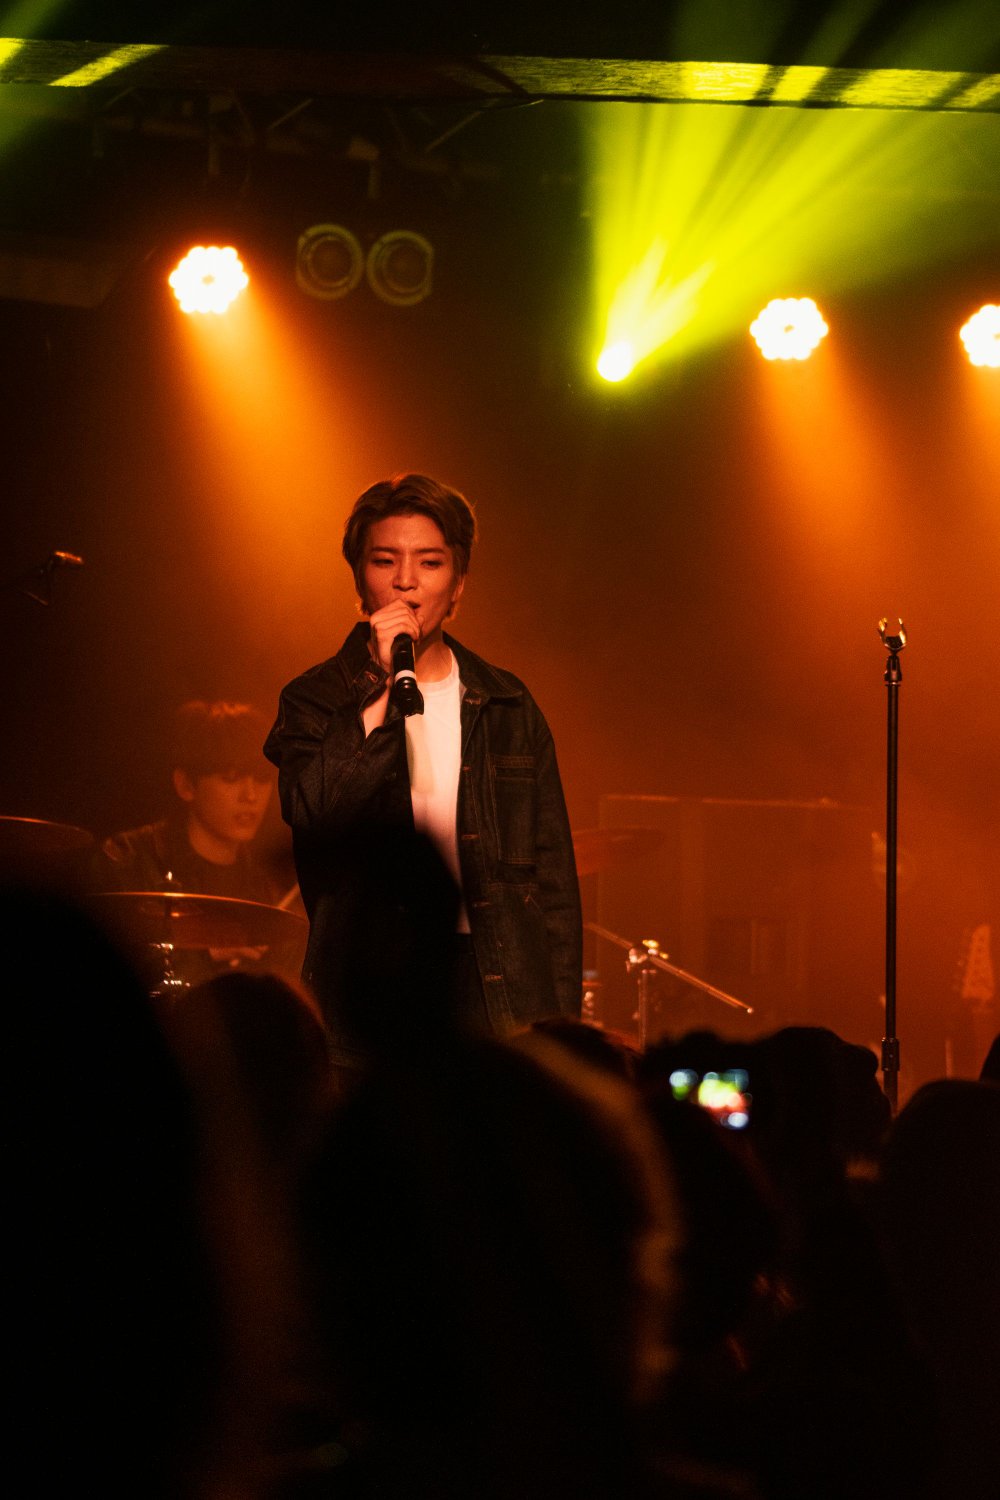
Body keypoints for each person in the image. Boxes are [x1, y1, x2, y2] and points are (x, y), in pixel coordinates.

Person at [264, 472, 581, 1057]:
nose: (405, 581)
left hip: (499, 987)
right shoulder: (314, 699)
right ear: (359, 578)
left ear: (458, 585)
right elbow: (314, 811)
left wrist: (564, 1034)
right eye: (385, 560)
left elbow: (553, 887)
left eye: (429, 563)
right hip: (369, 987)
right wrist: (378, 682)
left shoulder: (508, 703)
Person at [94, 700, 295, 986]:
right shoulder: (128, 858)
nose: (251, 796)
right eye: (231, 778)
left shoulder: (267, 887)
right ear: (186, 785)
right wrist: (205, 955)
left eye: (262, 778)